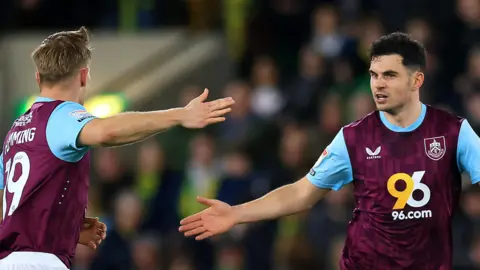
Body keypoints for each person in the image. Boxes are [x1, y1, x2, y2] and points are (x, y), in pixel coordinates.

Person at [179, 32, 480, 269]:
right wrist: (237, 213)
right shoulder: (353, 138)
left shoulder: (453, 132)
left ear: (417, 80)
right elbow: (301, 193)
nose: (378, 85)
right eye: (374, 75)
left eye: (389, 75)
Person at [0, 26, 234, 270]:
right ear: (83, 76)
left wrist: (65, 229)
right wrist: (179, 115)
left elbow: (7, 210)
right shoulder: (60, 114)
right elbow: (106, 131)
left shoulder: (16, 132)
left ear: (38, 78)